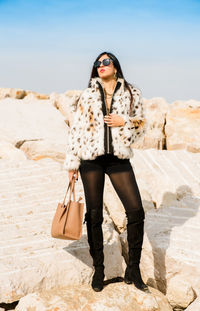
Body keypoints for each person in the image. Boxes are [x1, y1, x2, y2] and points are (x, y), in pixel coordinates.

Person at [64, 51, 149, 293]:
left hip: (119, 159)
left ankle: (133, 268)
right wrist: (72, 164)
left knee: (136, 211)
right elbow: (76, 131)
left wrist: (126, 122)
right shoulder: (88, 94)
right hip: (90, 160)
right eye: (97, 63)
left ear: (115, 66)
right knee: (94, 215)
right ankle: (99, 269)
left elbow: (142, 126)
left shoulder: (132, 92)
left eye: (105, 62)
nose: (101, 66)